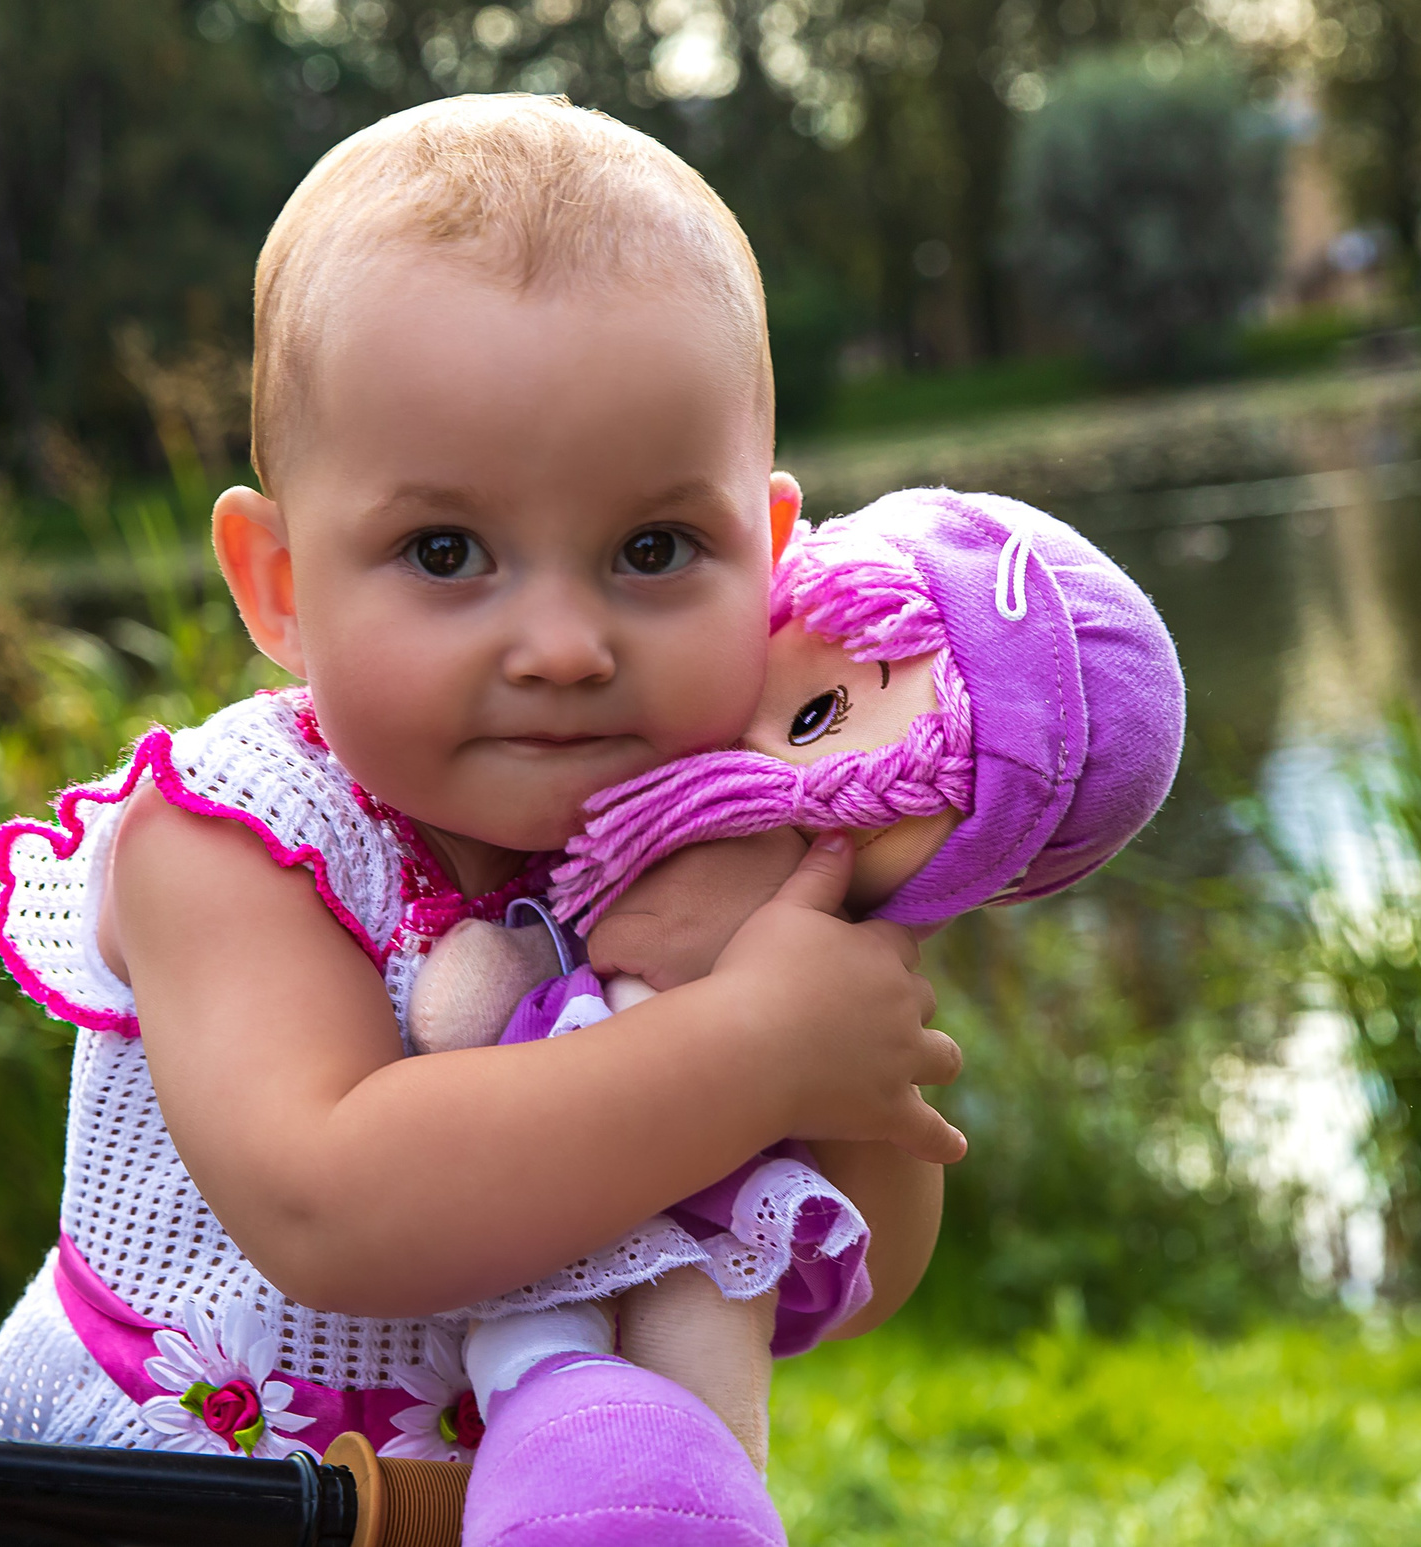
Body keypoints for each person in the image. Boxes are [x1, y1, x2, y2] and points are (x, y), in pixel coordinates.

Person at [0, 93, 963, 1546]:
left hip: (536, 1499)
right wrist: (749, 1046)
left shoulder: (716, 847)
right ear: (280, 582)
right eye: (446, 550)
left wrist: (849, 995)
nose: (561, 643)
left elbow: (858, 1274)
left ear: (776, 555)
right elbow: (334, 1202)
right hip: (157, 1496)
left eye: (654, 548)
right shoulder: (234, 835)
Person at [408, 485, 1185, 1471]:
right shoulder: (574, 776)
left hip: (664, 1280)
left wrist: (829, 1035)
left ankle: (689, 1494)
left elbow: (882, 1273)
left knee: (700, 1353)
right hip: (363, 1410)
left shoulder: (833, 946)